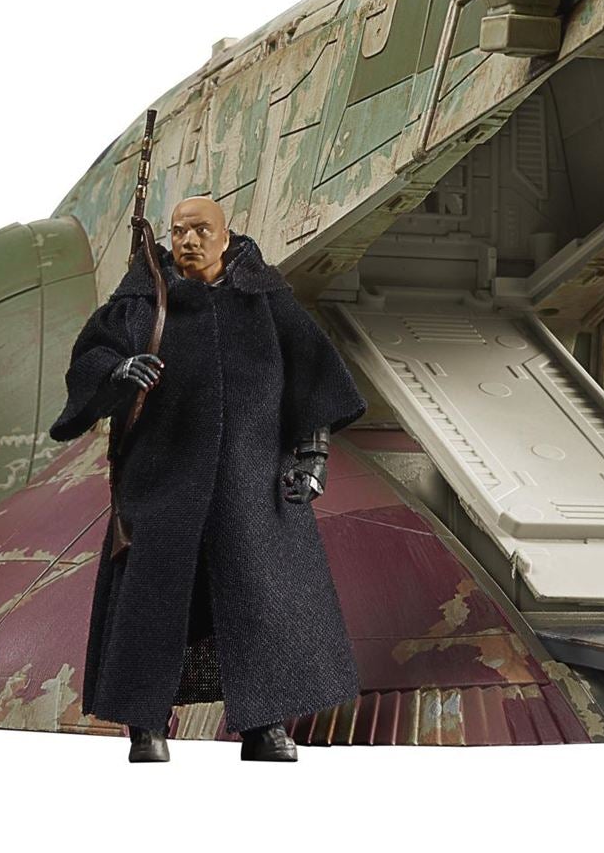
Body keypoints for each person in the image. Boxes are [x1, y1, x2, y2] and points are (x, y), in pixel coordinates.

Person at [48, 194, 366, 763]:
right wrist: (119, 371)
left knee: (262, 604)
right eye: (178, 231)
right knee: (152, 606)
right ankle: (146, 725)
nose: (188, 241)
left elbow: (314, 377)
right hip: (163, 485)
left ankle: (265, 725)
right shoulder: (143, 302)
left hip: (252, 486)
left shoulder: (264, 300)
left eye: (200, 230)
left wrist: (312, 459)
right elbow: (88, 362)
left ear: (225, 236)